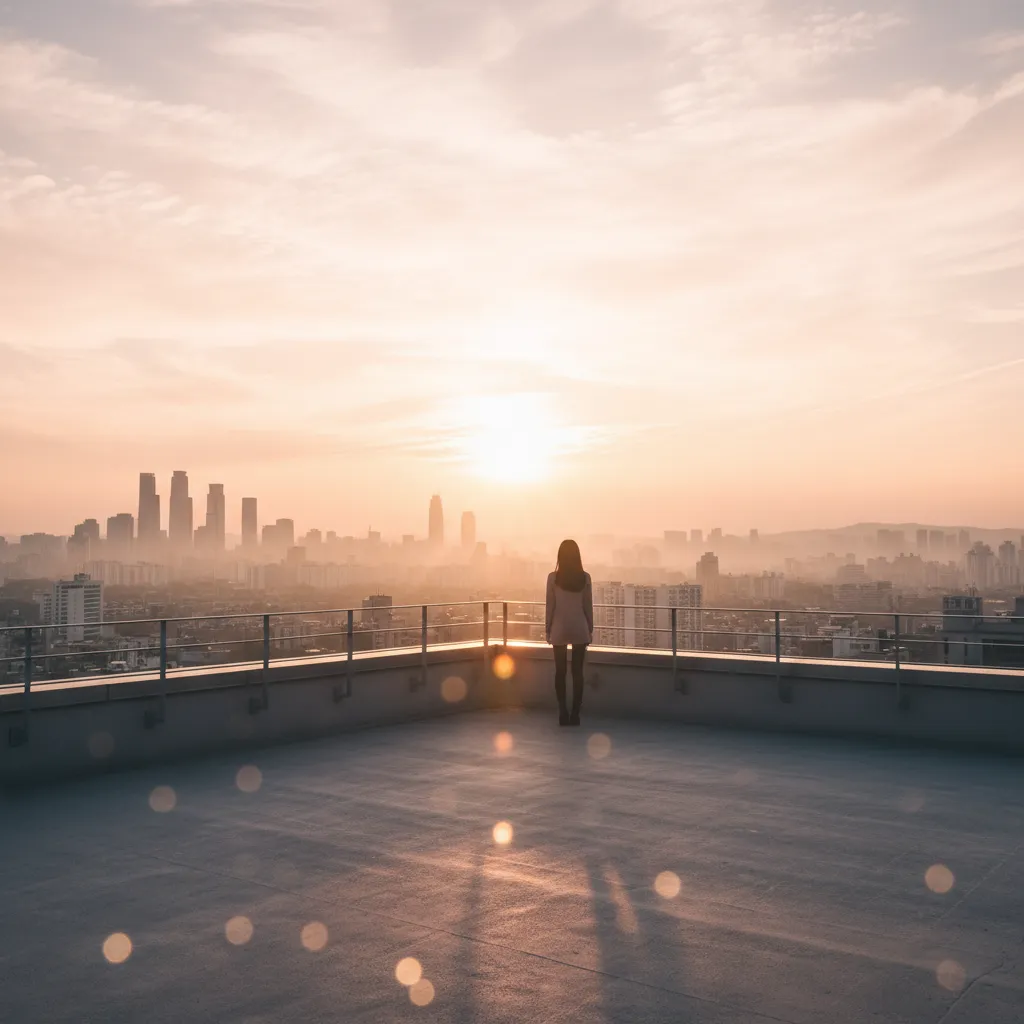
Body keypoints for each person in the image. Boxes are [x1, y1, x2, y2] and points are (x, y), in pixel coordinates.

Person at [545, 539, 593, 726]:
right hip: (580, 627)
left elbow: (551, 606)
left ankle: (562, 713)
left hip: (559, 628)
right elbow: (588, 606)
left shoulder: (553, 578)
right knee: (578, 673)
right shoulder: (585, 578)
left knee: (560, 672)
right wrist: (590, 628)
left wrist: (547, 629)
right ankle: (576, 715)